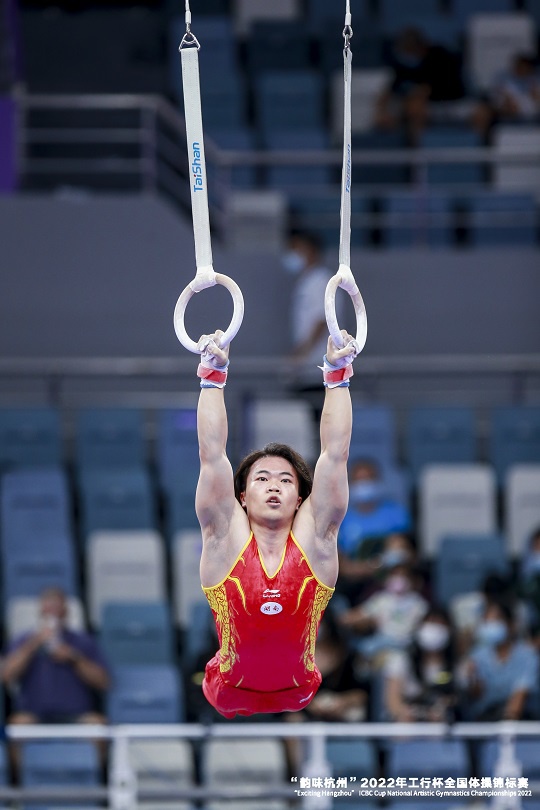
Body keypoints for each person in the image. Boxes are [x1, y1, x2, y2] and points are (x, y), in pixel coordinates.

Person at [194, 325, 358, 718]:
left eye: (285, 480)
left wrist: (337, 375)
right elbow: (212, 455)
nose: (273, 486)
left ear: (300, 499)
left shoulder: (317, 540)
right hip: (228, 687)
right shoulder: (224, 537)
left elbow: (335, 454)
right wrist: (213, 374)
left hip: (299, 688)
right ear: (242, 497)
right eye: (261, 479)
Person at [2, 588, 110, 725]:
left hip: (77, 714)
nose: (53, 614)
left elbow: (103, 682)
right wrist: (33, 645)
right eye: (49, 609)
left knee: (97, 723)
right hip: (34, 714)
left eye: (57, 609)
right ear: (41, 611)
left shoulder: (83, 642)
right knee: (18, 724)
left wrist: (74, 658)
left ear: (65, 612)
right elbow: (6, 675)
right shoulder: (24, 640)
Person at [375, 27, 465, 144]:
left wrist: (402, 108)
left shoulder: (439, 56)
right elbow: (388, 92)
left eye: (408, 49)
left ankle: (417, 148)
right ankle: (394, 146)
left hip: (449, 101)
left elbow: (425, 90)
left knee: (415, 107)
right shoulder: (404, 65)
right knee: (401, 110)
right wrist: (381, 111)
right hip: (421, 105)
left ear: (418, 47)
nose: (406, 54)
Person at [458, 600, 539, 721]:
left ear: (511, 625)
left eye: (497, 619)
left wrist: (507, 725)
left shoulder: (527, 655)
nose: (491, 624)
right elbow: (477, 694)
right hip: (484, 720)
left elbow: (520, 696)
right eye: (487, 620)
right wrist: (472, 679)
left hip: (520, 721)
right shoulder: (477, 655)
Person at [339, 562, 429, 666]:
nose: (398, 578)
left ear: (412, 580)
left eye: (403, 575)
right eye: (395, 574)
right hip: (381, 644)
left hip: (405, 649)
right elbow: (359, 614)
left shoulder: (419, 603)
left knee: (397, 662)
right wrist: (340, 618)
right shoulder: (382, 599)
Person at [383, 607, 457, 723]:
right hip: (408, 717)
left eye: (439, 624)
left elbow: (457, 696)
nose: (434, 629)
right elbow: (393, 700)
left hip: (440, 719)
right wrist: (405, 713)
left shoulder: (456, 664)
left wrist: (444, 705)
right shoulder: (402, 660)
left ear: (449, 630)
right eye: (430, 623)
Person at [473, 54, 540, 137]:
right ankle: (480, 139)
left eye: (524, 67)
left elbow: (534, 104)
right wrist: (503, 103)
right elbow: (495, 97)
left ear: (529, 69)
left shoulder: (535, 82)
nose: (520, 69)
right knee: (481, 112)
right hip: (501, 110)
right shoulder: (504, 78)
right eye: (518, 66)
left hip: (527, 111)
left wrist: (520, 105)